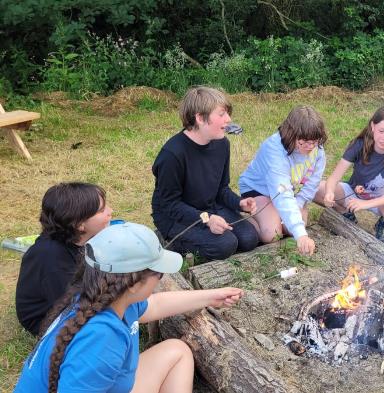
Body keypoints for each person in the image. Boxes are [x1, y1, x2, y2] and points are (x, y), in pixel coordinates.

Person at [14, 222, 243, 392]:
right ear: (133, 284)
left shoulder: (101, 296)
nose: (160, 279)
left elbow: (154, 305)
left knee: (177, 351)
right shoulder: (102, 340)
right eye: (159, 273)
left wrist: (211, 296)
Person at [151, 86, 259, 261]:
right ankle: (169, 241)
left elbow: (222, 189)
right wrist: (207, 219)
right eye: (222, 114)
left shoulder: (222, 144)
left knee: (249, 239)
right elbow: (169, 204)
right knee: (225, 245)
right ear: (200, 118)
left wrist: (239, 203)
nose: (229, 119)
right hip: (174, 217)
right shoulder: (172, 155)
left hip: (209, 207)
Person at [16, 182, 113, 336]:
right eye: (102, 210)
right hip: (46, 317)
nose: (110, 211)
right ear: (80, 225)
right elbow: (72, 304)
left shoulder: (78, 238)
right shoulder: (51, 258)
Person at [239, 106, 327, 255]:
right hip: (258, 190)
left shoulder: (317, 149)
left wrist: (299, 203)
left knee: (296, 225)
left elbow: (313, 182)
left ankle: (277, 216)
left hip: (285, 191)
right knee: (272, 234)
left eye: (314, 142)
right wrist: (301, 235)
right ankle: (243, 218)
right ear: (291, 134)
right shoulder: (274, 150)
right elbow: (282, 193)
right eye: (304, 142)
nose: (310, 147)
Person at [315, 105, 384, 244]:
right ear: (373, 126)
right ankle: (345, 212)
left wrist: (366, 204)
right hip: (354, 192)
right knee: (316, 189)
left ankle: (383, 224)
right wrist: (329, 192)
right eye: (381, 131)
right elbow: (335, 177)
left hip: (382, 199)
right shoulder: (359, 144)